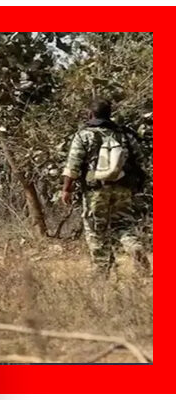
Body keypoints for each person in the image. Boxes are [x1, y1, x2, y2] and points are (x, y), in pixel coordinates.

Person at [62, 99, 151, 278]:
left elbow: (73, 166)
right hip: (123, 189)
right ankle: (134, 246)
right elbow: (141, 161)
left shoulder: (83, 135)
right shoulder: (125, 134)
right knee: (123, 224)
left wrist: (66, 189)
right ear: (110, 114)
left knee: (95, 229)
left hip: (95, 191)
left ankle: (101, 271)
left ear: (91, 114)